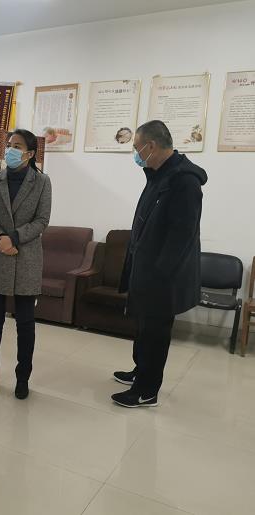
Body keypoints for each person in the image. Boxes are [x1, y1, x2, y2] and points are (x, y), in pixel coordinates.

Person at [113, 120, 207, 408]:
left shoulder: (184, 181)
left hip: (162, 276)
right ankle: (140, 371)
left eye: (136, 147)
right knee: (143, 328)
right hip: (146, 268)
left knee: (155, 332)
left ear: (150, 146)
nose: (136, 153)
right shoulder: (158, 174)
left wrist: (159, 274)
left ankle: (147, 390)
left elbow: (182, 234)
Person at [0, 129, 52, 399]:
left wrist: (15, 238)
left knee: (25, 323)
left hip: (26, 255)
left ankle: (22, 378)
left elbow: (42, 220)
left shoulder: (42, 182)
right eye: (9, 144)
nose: (10, 149)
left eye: (17, 146)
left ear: (30, 154)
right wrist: (0, 238)